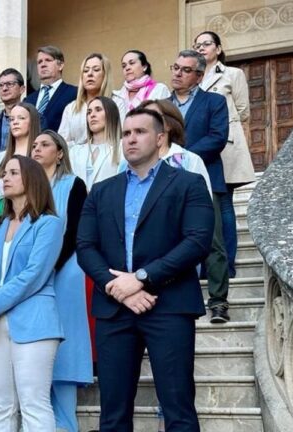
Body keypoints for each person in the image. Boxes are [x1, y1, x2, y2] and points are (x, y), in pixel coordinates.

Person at [77, 107, 214, 432]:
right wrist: (118, 288)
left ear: (160, 138)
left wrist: (141, 279)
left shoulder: (189, 183)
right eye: (126, 133)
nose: (131, 139)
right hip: (114, 309)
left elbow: (197, 242)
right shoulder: (101, 190)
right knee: (112, 414)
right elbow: (85, 247)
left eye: (140, 132)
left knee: (178, 409)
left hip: (169, 305)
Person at [0, 155, 64, 432]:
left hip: (34, 320)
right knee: (0, 405)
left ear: (32, 179)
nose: (5, 178)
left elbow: (34, 275)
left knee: (34, 404)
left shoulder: (49, 223)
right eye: (3, 173)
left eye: (13, 172)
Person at [31, 131, 91, 432]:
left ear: (60, 153)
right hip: (33, 275)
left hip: (66, 269)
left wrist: (49, 266)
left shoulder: (74, 184)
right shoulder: (27, 190)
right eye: (34, 145)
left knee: (65, 341)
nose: (36, 149)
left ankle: (66, 424)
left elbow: (76, 231)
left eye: (44, 145)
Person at [168, 49, 231, 324]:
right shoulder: (161, 105)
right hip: (167, 182)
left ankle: (218, 302)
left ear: (199, 75)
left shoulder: (214, 102)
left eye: (185, 70)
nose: (177, 73)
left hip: (205, 178)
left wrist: (183, 156)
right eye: (175, 67)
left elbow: (218, 137)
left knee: (214, 242)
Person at [195, 30, 255, 278]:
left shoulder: (232, 74)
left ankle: (227, 263)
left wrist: (222, 129)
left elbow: (243, 110)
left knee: (225, 204)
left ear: (218, 49)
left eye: (206, 44)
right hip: (198, 145)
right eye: (196, 45)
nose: (201, 48)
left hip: (226, 145)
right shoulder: (193, 77)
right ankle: (204, 264)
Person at [117, 99, 213, 195]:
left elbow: (202, 202)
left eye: (153, 115)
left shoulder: (191, 160)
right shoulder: (125, 164)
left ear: (169, 124)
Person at [0, 102, 41, 220]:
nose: (15, 122)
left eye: (21, 118)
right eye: (11, 119)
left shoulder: (40, 157)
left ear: (33, 122)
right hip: (0, 223)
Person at [58, 53, 113, 147]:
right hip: (75, 159)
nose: (90, 74)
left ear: (105, 75)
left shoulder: (116, 102)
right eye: (85, 70)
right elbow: (61, 143)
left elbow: (121, 137)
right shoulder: (71, 108)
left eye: (96, 70)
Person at [68, 96, 122, 190]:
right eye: (89, 112)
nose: (92, 115)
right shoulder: (75, 151)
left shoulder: (122, 147)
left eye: (98, 110)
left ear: (111, 114)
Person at [24, 46, 78, 131]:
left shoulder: (74, 93)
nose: (43, 65)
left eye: (48, 60)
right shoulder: (28, 100)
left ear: (60, 65)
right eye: (39, 62)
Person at [111, 50, 171, 118]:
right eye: (124, 66)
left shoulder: (159, 89)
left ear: (144, 66)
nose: (127, 68)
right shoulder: (116, 96)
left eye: (132, 63)